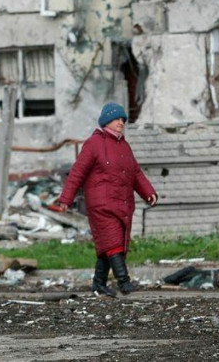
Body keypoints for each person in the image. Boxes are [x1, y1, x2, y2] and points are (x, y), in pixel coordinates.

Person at [53, 102, 158, 296]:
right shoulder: (94, 144)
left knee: (110, 245)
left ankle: (99, 283)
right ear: (106, 121)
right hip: (101, 204)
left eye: (123, 119)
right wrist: (65, 199)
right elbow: (77, 173)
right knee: (113, 242)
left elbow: (135, 173)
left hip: (122, 203)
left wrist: (148, 192)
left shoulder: (124, 146)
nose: (121, 122)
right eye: (117, 119)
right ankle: (124, 283)